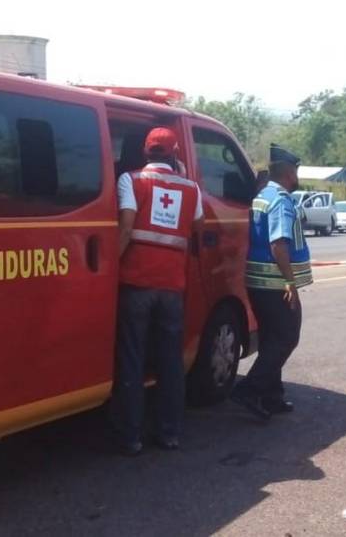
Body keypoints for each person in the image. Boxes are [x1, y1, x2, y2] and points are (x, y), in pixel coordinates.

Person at [110, 127, 203, 455]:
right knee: (170, 362)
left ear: (145, 151)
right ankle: (169, 433)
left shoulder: (131, 181)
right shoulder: (191, 188)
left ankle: (129, 437)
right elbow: (195, 225)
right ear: (175, 153)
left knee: (132, 359)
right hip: (172, 287)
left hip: (136, 284)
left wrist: (109, 271)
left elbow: (125, 227)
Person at [232, 143, 312, 420]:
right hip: (274, 282)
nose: (297, 175)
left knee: (270, 338)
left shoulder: (262, 194)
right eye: (296, 170)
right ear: (289, 172)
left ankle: (272, 395)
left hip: (257, 281)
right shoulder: (280, 200)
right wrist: (290, 282)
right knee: (288, 337)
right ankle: (249, 389)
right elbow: (279, 243)